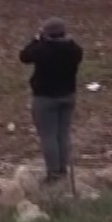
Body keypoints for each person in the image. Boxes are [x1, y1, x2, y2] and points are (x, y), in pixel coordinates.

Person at [20, 17, 84, 184]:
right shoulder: (74, 50)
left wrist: (35, 39)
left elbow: (24, 56)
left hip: (45, 98)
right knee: (63, 134)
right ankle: (63, 169)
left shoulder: (42, 50)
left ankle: (53, 174)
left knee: (48, 136)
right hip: (68, 96)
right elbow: (75, 47)